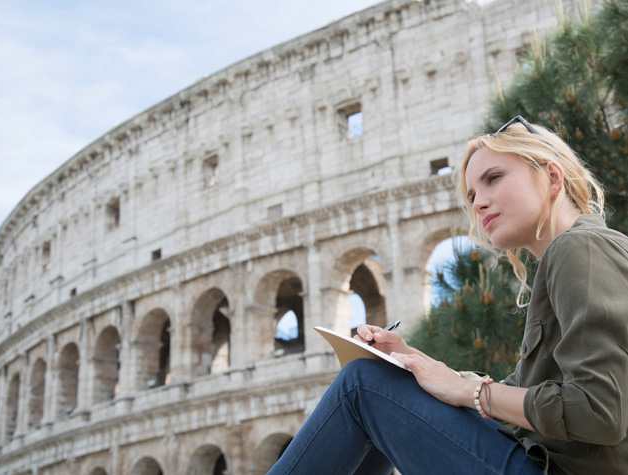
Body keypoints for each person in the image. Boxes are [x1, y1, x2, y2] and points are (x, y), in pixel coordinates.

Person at [267, 116, 628, 474]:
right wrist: (416, 363)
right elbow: (518, 398)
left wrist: (469, 392)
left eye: (493, 178)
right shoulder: (570, 256)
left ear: (552, 176)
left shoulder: (580, 247)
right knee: (383, 381)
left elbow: (601, 412)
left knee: (362, 384)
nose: (479, 203)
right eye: (472, 195)